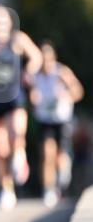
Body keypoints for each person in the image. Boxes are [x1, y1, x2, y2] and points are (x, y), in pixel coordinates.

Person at [0, 6, 42, 209]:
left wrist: (28, 72)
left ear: (9, 23)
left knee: (15, 135)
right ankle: (6, 188)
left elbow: (36, 57)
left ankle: (19, 155)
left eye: (2, 20)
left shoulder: (17, 40)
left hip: (14, 98)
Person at [29, 41, 84, 207]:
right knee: (47, 153)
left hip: (61, 119)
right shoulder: (35, 76)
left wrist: (66, 96)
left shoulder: (61, 72)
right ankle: (48, 189)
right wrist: (34, 99)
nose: (45, 64)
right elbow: (32, 98)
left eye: (48, 60)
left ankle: (62, 177)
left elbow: (78, 91)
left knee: (61, 156)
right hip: (45, 120)